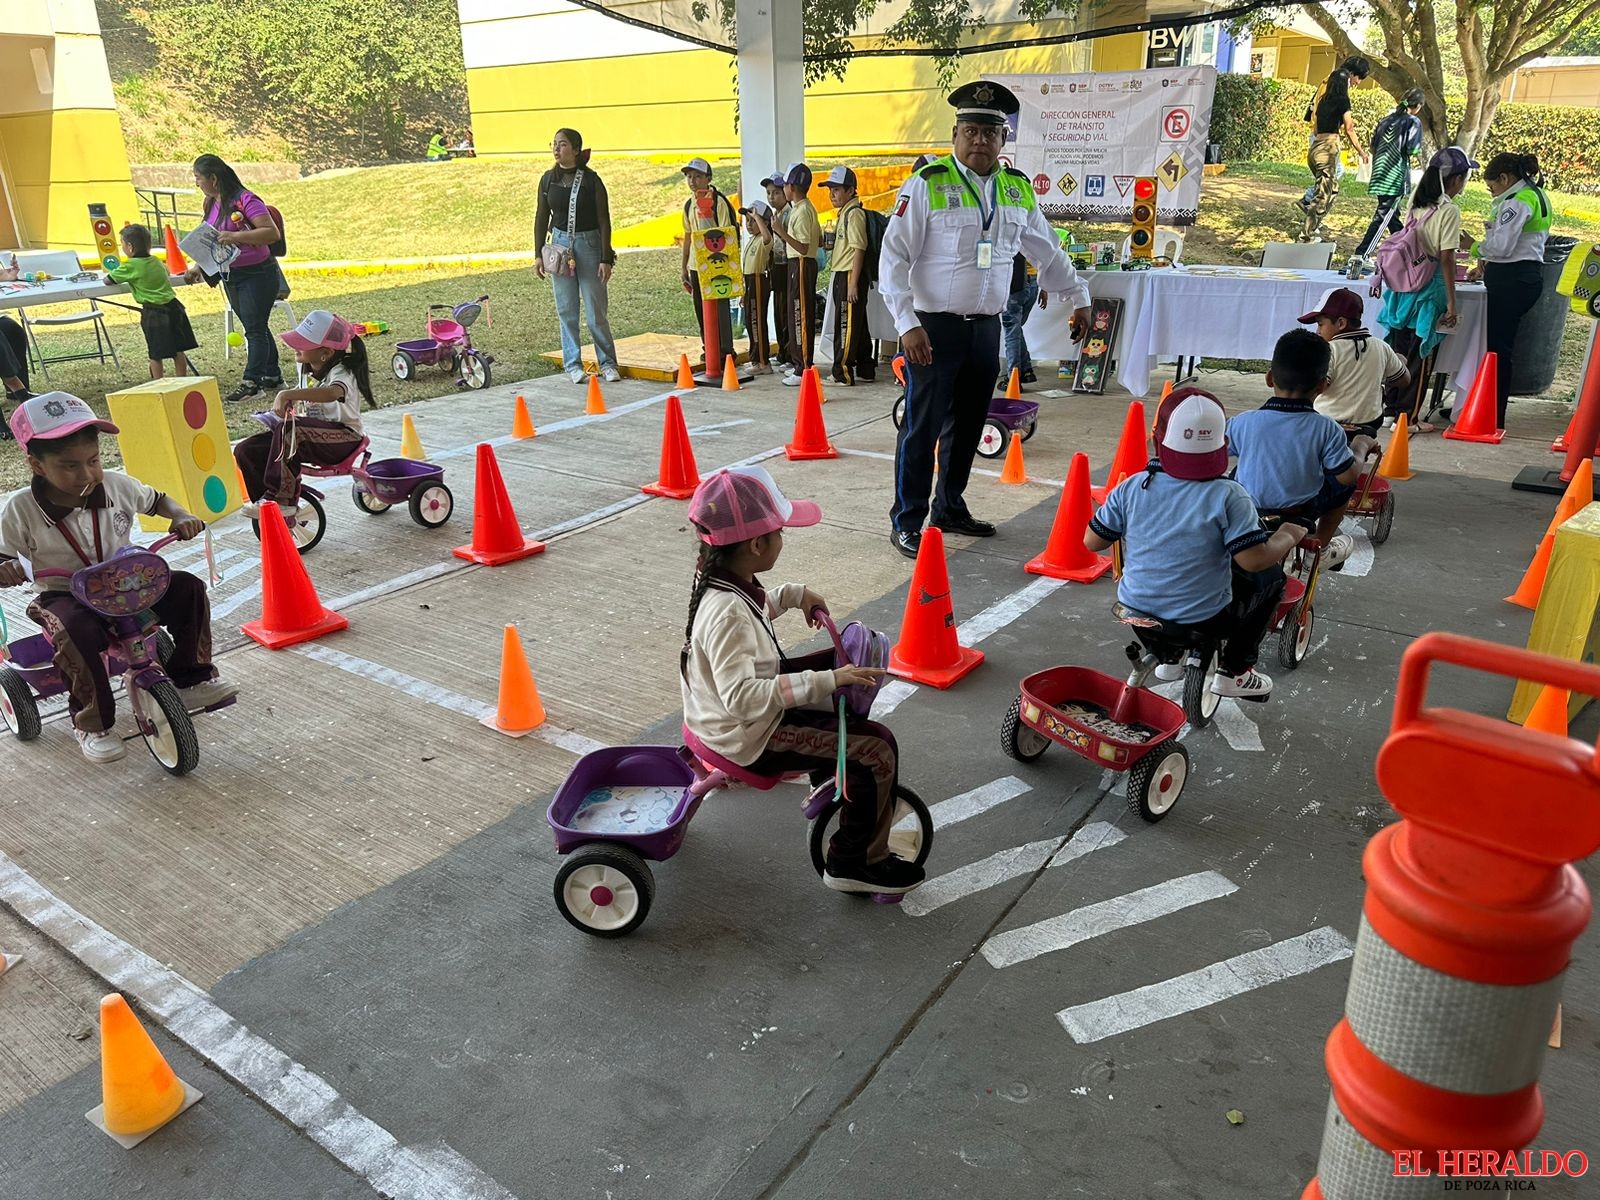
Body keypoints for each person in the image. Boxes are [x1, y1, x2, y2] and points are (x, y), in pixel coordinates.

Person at [679, 465, 924, 897]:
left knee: (833, 676)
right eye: (779, 533)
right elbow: (742, 698)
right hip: (748, 734)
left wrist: (792, 595)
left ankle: (830, 775)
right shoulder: (727, 613)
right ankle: (854, 861)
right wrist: (830, 680)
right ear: (757, 544)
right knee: (877, 747)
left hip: (735, 714)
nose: (782, 539)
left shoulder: (721, 578)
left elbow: (750, 617)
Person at [879, 80, 1091, 560]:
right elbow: (893, 257)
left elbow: (1046, 248)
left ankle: (949, 507)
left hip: (986, 328)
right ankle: (907, 520)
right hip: (932, 329)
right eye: (971, 130)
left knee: (970, 424)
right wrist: (906, 322)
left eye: (990, 133)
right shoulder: (929, 184)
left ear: (1003, 139)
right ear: (955, 135)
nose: (979, 140)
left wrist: (1076, 295)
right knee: (923, 425)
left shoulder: (1016, 189)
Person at [0, 392, 236, 762]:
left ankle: (191, 678)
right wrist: (7, 568)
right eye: (70, 466)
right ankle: (91, 722)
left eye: (93, 461)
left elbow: (158, 500)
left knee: (187, 587)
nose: (87, 474)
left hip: (125, 582)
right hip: (63, 592)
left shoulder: (114, 485)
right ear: (37, 466)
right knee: (73, 630)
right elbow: (3, 556)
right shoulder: (20, 509)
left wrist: (179, 515)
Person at [1085, 388, 1303, 701]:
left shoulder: (1132, 486)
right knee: (1270, 579)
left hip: (1133, 611)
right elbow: (1254, 560)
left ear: (1157, 437)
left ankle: (1169, 657)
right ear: (1223, 444)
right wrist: (1288, 535)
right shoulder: (1229, 495)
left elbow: (1093, 541)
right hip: (1203, 618)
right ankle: (1237, 671)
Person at [1227, 329, 1365, 569]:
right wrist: (1360, 447)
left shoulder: (1243, 422)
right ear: (1323, 385)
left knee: (1238, 471)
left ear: (1270, 378)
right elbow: (1347, 476)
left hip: (1247, 507)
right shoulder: (1326, 427)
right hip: (1300, 509)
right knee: (1344, 484)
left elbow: (1214, 453)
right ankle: (1319, 547)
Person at [233, 311, 368, 517]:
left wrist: (288, 393)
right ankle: (266, 503)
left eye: (303, 343)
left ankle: (282, 499)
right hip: (312, 438)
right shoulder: (308, 372)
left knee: (290, 430)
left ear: (326, 353)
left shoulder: (342, 372)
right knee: (246, 449)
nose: (296, 346)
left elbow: (333, 392)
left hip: (345, 439)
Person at [1376, 146, 1472, 430]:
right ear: (1455, 179)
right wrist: (1452, 304)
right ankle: (1409, 418)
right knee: (1421, 357)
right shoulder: (1449, 211)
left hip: (1402, 288)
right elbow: (1446, 257)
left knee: (1398, 351)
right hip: (1429, 291)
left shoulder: (1416, 203)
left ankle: (1391, 411)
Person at [1464, 152, 1553, 431]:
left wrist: (1473, 246)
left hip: (1511, 279)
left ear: (1505, 178)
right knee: (1499, 347)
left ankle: (1492, 413)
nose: (1492, 192)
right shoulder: (1536, 195)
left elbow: (1501, 247)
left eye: (1492, 186)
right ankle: (1487, 407)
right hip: (1525, 276)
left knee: (1497, 350)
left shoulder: (1516, 202)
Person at [187, 155, 285, 403]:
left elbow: (271, 232)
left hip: (258, 273)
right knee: (256, 325)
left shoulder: (246, 200)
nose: (197, 183)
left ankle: (252, 383)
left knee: (254, 328)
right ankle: (272, 375)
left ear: (214, 179)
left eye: (198, 178)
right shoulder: (211, 202)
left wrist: (234, 236)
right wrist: (198, 265)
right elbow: (209, 237)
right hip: (231, 273)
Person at [534, 128, 621, 384]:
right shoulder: (548, 180)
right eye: (554, 144)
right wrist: (538, 252)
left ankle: (608, 363)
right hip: (559, 247)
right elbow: (541, 216)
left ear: (575, 149)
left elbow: (604, 219)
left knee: (596, 309)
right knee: (566, 308)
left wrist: (606, 258)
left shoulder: (592, 180)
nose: (557, 149)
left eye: (562, 145)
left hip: (590, 244)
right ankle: (573, 364)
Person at [1299, 287, 1410, 440]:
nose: (1317, 331)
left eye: (1320, 324)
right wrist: (1400, 361)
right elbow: (1404, 380)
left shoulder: (1329, 349)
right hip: (1371, 421)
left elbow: (1316, 389)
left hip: (1330, 422)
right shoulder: (1381, 346)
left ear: (1341, 323)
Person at [104, 223, 197, 381]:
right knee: (179, 349)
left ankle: (158, 382)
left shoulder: (130, 266)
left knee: (156, 353)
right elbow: (166, 272)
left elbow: (108, 280)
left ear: (130, 247)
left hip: (154, 312)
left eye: (122, 244)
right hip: (174, 307)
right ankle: (183, 380)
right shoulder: (156, 261)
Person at [1300, 57, 1370, 243]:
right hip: (1328, 148)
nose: (1355, 83)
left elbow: (1315, 127)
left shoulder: (1323, 101)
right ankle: (1307, 235)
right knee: (1322, 195)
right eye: (1354, 79)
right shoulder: (1342, 101)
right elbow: (1349, 128)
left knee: (1332, 188)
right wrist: (1361, 151)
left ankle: (1313, 221)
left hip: (1315, 149)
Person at [678, 157, 739, 367]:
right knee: (700, 308)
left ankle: (726, 350)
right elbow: (688, 236)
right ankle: (709, 347)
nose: (692, 181)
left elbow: (727, 233)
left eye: (697, 176)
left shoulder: (718, 202)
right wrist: (684, 265)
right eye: (689, 176)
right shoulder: (689, 205)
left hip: (717, 265)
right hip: (697, 265)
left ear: (708, 178)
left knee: (720, 307)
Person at [1355, 90, 1426, 258]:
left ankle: (1408, 253)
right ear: (1418, 106)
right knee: (1383, 215)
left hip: (1379, 172)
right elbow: (1412, 149)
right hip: (1395, 176)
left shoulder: (1385, 120)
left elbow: (1373, 147)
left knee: (1391, 216)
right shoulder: (1413, 122)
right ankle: (1361, 254)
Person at [823, 166, 875, 386]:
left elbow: (858, 248)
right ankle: (865, 367)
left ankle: (842, 372)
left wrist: (852, 284)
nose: (832, 194)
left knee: (845, 324)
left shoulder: (854, 214)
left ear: (851, 190)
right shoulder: (845, 213)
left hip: (849, 276)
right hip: (844, 274)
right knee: (858, 324)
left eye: (836, 190)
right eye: (830, 190)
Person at [775, 164, 822, 386]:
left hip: (801, 263)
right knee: (797, 313)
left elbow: (803, 247)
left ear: (791, 187)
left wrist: (780, 232)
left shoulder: (802, 211)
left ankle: (802, 366)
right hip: (798, 264)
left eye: (784, 184)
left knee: (800, 314)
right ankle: (798, 363)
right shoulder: (802, 208)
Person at [739, 200, 774, 374]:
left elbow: (768, 237)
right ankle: (756, 358)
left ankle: (762, 361)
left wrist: (759, 219)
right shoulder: (752, 240)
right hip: (750, 282)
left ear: (765, 223)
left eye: (753, 220)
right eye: (747, 220)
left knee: (756, 322)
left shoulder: (764, 240)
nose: (749, 224)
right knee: (750, 321)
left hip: (759, 280)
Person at [762, 172, 793, 367]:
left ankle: (790, 354)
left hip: (787, 265)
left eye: (776, 192)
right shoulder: (776, 214)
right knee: (778, 311)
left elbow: (788, 240)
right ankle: (782, 352)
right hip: (777, 266)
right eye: (769, 193)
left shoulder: (790, 213)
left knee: (786, 311)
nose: (772, 197)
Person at [998, 253, 1039, 388]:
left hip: (1016, 283)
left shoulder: (1013, 233)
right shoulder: (1035, 233)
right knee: (1015, 330)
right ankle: (1027, 369)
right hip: (1033, 281)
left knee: (1012, 333)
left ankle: (1013, 378)